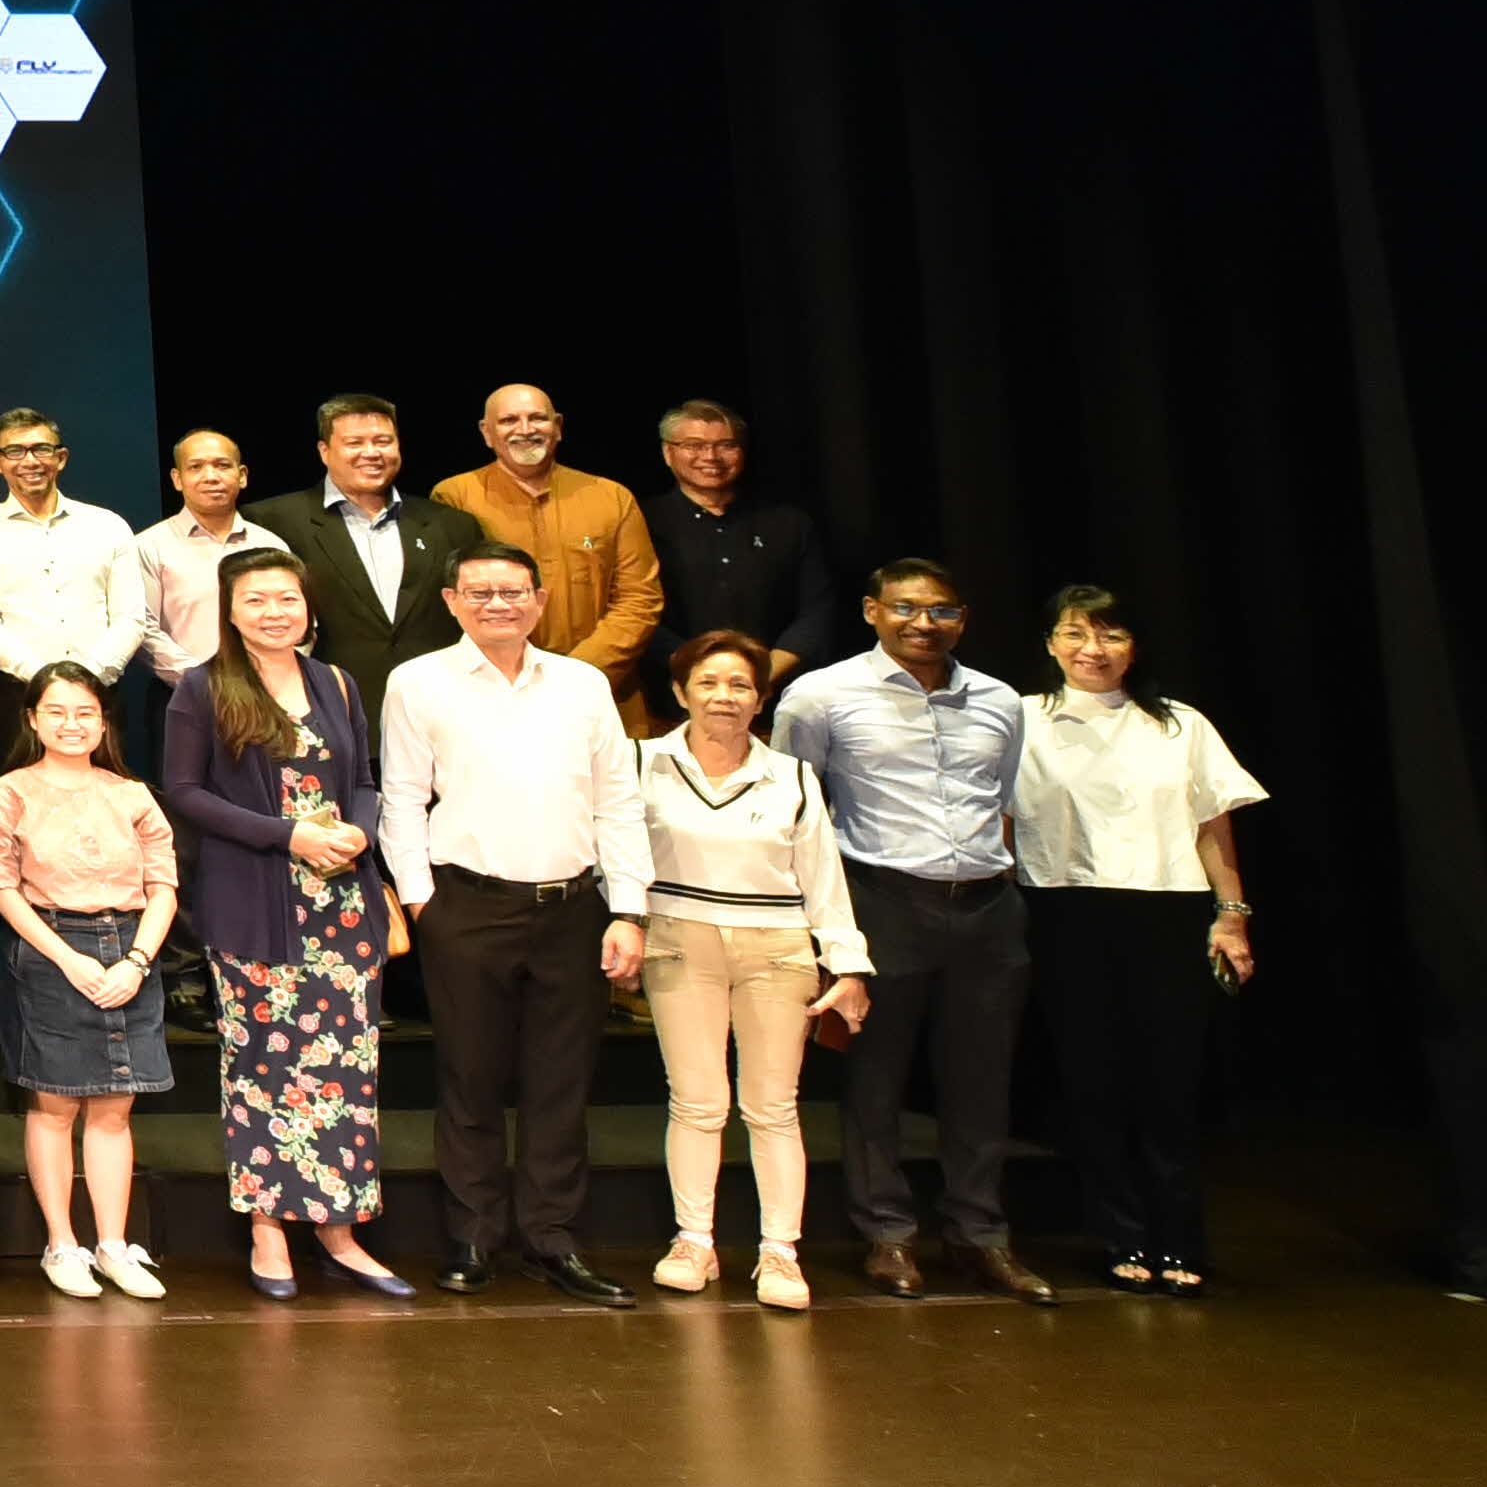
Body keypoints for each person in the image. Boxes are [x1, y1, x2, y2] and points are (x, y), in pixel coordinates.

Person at [378, 538, 653, 1301]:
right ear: (452, 602)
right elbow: (400, 796)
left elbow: (618, 803)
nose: (497, 603)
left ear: (539, 601)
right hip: (464, 905)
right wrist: (419, 898)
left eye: (512, 592)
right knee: (468, 1079)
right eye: (480, 592)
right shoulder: (419, 682)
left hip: (572, 907)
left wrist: (628, 908)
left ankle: (551, 1240)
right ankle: (471, 1237)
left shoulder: (583, 685)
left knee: (560, 1085)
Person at [771, 562, 1050, 1300]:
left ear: (964, 617)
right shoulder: (820, 696)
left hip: (988, 906)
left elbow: (1006, 800)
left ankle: (980, 1235)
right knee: (876, 1079)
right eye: (905, 608)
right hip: (881, 900)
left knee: (982, 1081)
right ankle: (888, 1235)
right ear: (871, 611)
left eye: (942, 611)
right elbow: (794, 809)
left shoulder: (998, 700)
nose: (923, 623)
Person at [161, 554, 414, 1301]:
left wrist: (358, 835)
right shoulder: (202, 688)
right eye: (256, 599)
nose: (275, 611)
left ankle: (340, 1229)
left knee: (345, 1074)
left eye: (287, 598)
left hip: (343, 907)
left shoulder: (335, 682)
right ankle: (269, 1230)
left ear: (308, 606)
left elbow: (363, 778)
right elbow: (184, 792)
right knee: (265, 1071)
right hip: (256, 906)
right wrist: (289, 835)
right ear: (231, 611)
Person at [1017, 583, 1270, 1295]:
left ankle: (1180, 1238)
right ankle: (1122, 1234)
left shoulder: (1180, 724)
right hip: (1065, 910)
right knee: (1093, 1082)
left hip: (1168, 908)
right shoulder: (1022, 719)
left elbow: (1213, 823)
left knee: (1169, 1081)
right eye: (1075, 634)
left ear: (1135, 646)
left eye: (1110, 635)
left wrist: (1232, 914)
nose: (1093, 650)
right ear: (1050, 644)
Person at [631, 632, 874, 1310]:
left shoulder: (792, 776)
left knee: (771, 1107)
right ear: (681, 692)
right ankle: (694, 1242)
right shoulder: (641, 764)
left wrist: (847, 966)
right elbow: (615, 858)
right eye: (709, 683)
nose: (724, 697)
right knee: (699, 1101)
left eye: (740, 686)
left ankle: (779, 1253)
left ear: (761, 698)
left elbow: (824, 880)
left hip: (777, 949)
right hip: (682, 944)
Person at [0, 662, 179, 1299]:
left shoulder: (131, 793)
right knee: (55, 1103)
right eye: (57, 712)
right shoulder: (10, 791)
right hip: (49, 947)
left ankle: (113, 1245)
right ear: (32, 719)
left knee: (116, 1109)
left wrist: (138, 961)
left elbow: (164, 886)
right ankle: (62, 1244)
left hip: (131, 950)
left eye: (85, 712)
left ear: (103, 720)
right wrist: (68, 957)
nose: (72, 724)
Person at [431, 382, 670, 736]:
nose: (525, 430)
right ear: (487, 432)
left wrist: (577, 674)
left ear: (557, 426)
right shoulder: (456, 497)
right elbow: (455, 601)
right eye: (509, 420)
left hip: (602, 693)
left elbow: (640, 599)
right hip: (495, 700)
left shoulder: (611, 497)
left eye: (537, 418)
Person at [0, 410, 143, 768]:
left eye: (41, 449)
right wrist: (45, 681)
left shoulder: (108, 525)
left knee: (106, 807)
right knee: (24, 812)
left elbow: (130, 618)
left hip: (100, 691)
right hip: (18, 697)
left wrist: (86, 678)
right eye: (15, 451)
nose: (30, 461)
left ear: (61, 458)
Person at [245, 396, 458, 693]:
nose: (371, 453)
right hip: (323, 701)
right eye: (354, 443)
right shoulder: (271, 521)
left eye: (383, 441)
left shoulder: (451, 524)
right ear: (324, 451)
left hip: (433, 700)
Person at [647, 401, 848, 706]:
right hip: (672, 699)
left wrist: (760, 675)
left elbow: (817, 611)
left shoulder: (789, 522)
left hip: (779, 698)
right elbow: (635, 610)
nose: (710, 457)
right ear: (667, 453)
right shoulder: (640, 522)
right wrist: (706, 675)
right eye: (694, 445)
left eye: (726, 445)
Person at [127, 431, 284, 772]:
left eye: (221, 465)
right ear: (177, 479)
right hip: (182, 698)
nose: (210, 476)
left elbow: (299, 623)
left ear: (241, 475)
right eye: (196, 467)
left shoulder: (271, 545)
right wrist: (206, 683)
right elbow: (143, 630)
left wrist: (274, 678)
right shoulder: (149, 546)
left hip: (267, 697)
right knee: (187, 810)